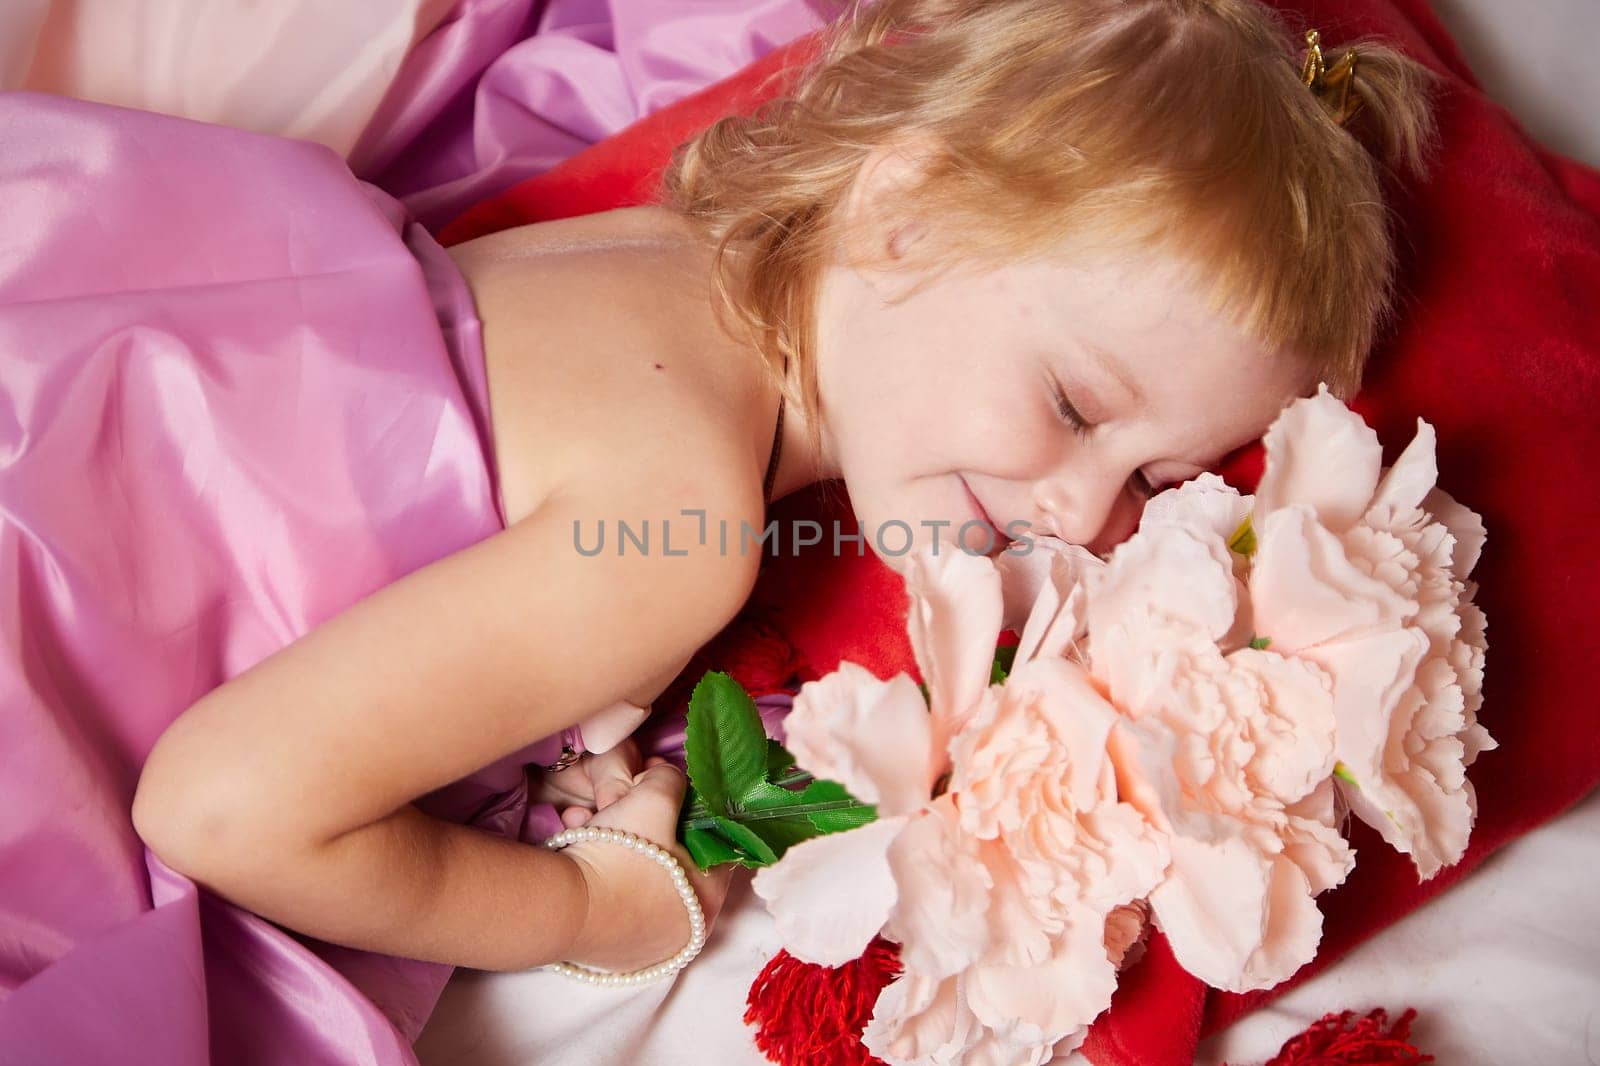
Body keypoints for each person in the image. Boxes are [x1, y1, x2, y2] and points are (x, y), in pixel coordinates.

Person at [2, 0, 1440, 1057]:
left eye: (1154, 478)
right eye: (1072, 402)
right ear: (906, 210)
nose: (1078, 514)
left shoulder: (662, 248)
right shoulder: (683, 530)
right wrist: (596, 912)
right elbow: (217, 808)